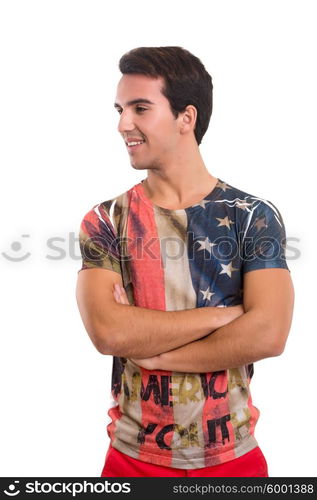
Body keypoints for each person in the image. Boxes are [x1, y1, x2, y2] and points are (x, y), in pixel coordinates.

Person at [76, 46, 294, 477]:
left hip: (234, 461)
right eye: (120, 109)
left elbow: (269, 334)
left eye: (140, 108)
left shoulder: (252, 216)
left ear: (186, 118)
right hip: (132, 462)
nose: (123, 124)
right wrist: (225, 317)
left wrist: (155, 354)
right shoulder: (104, 220)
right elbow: (109, 331)